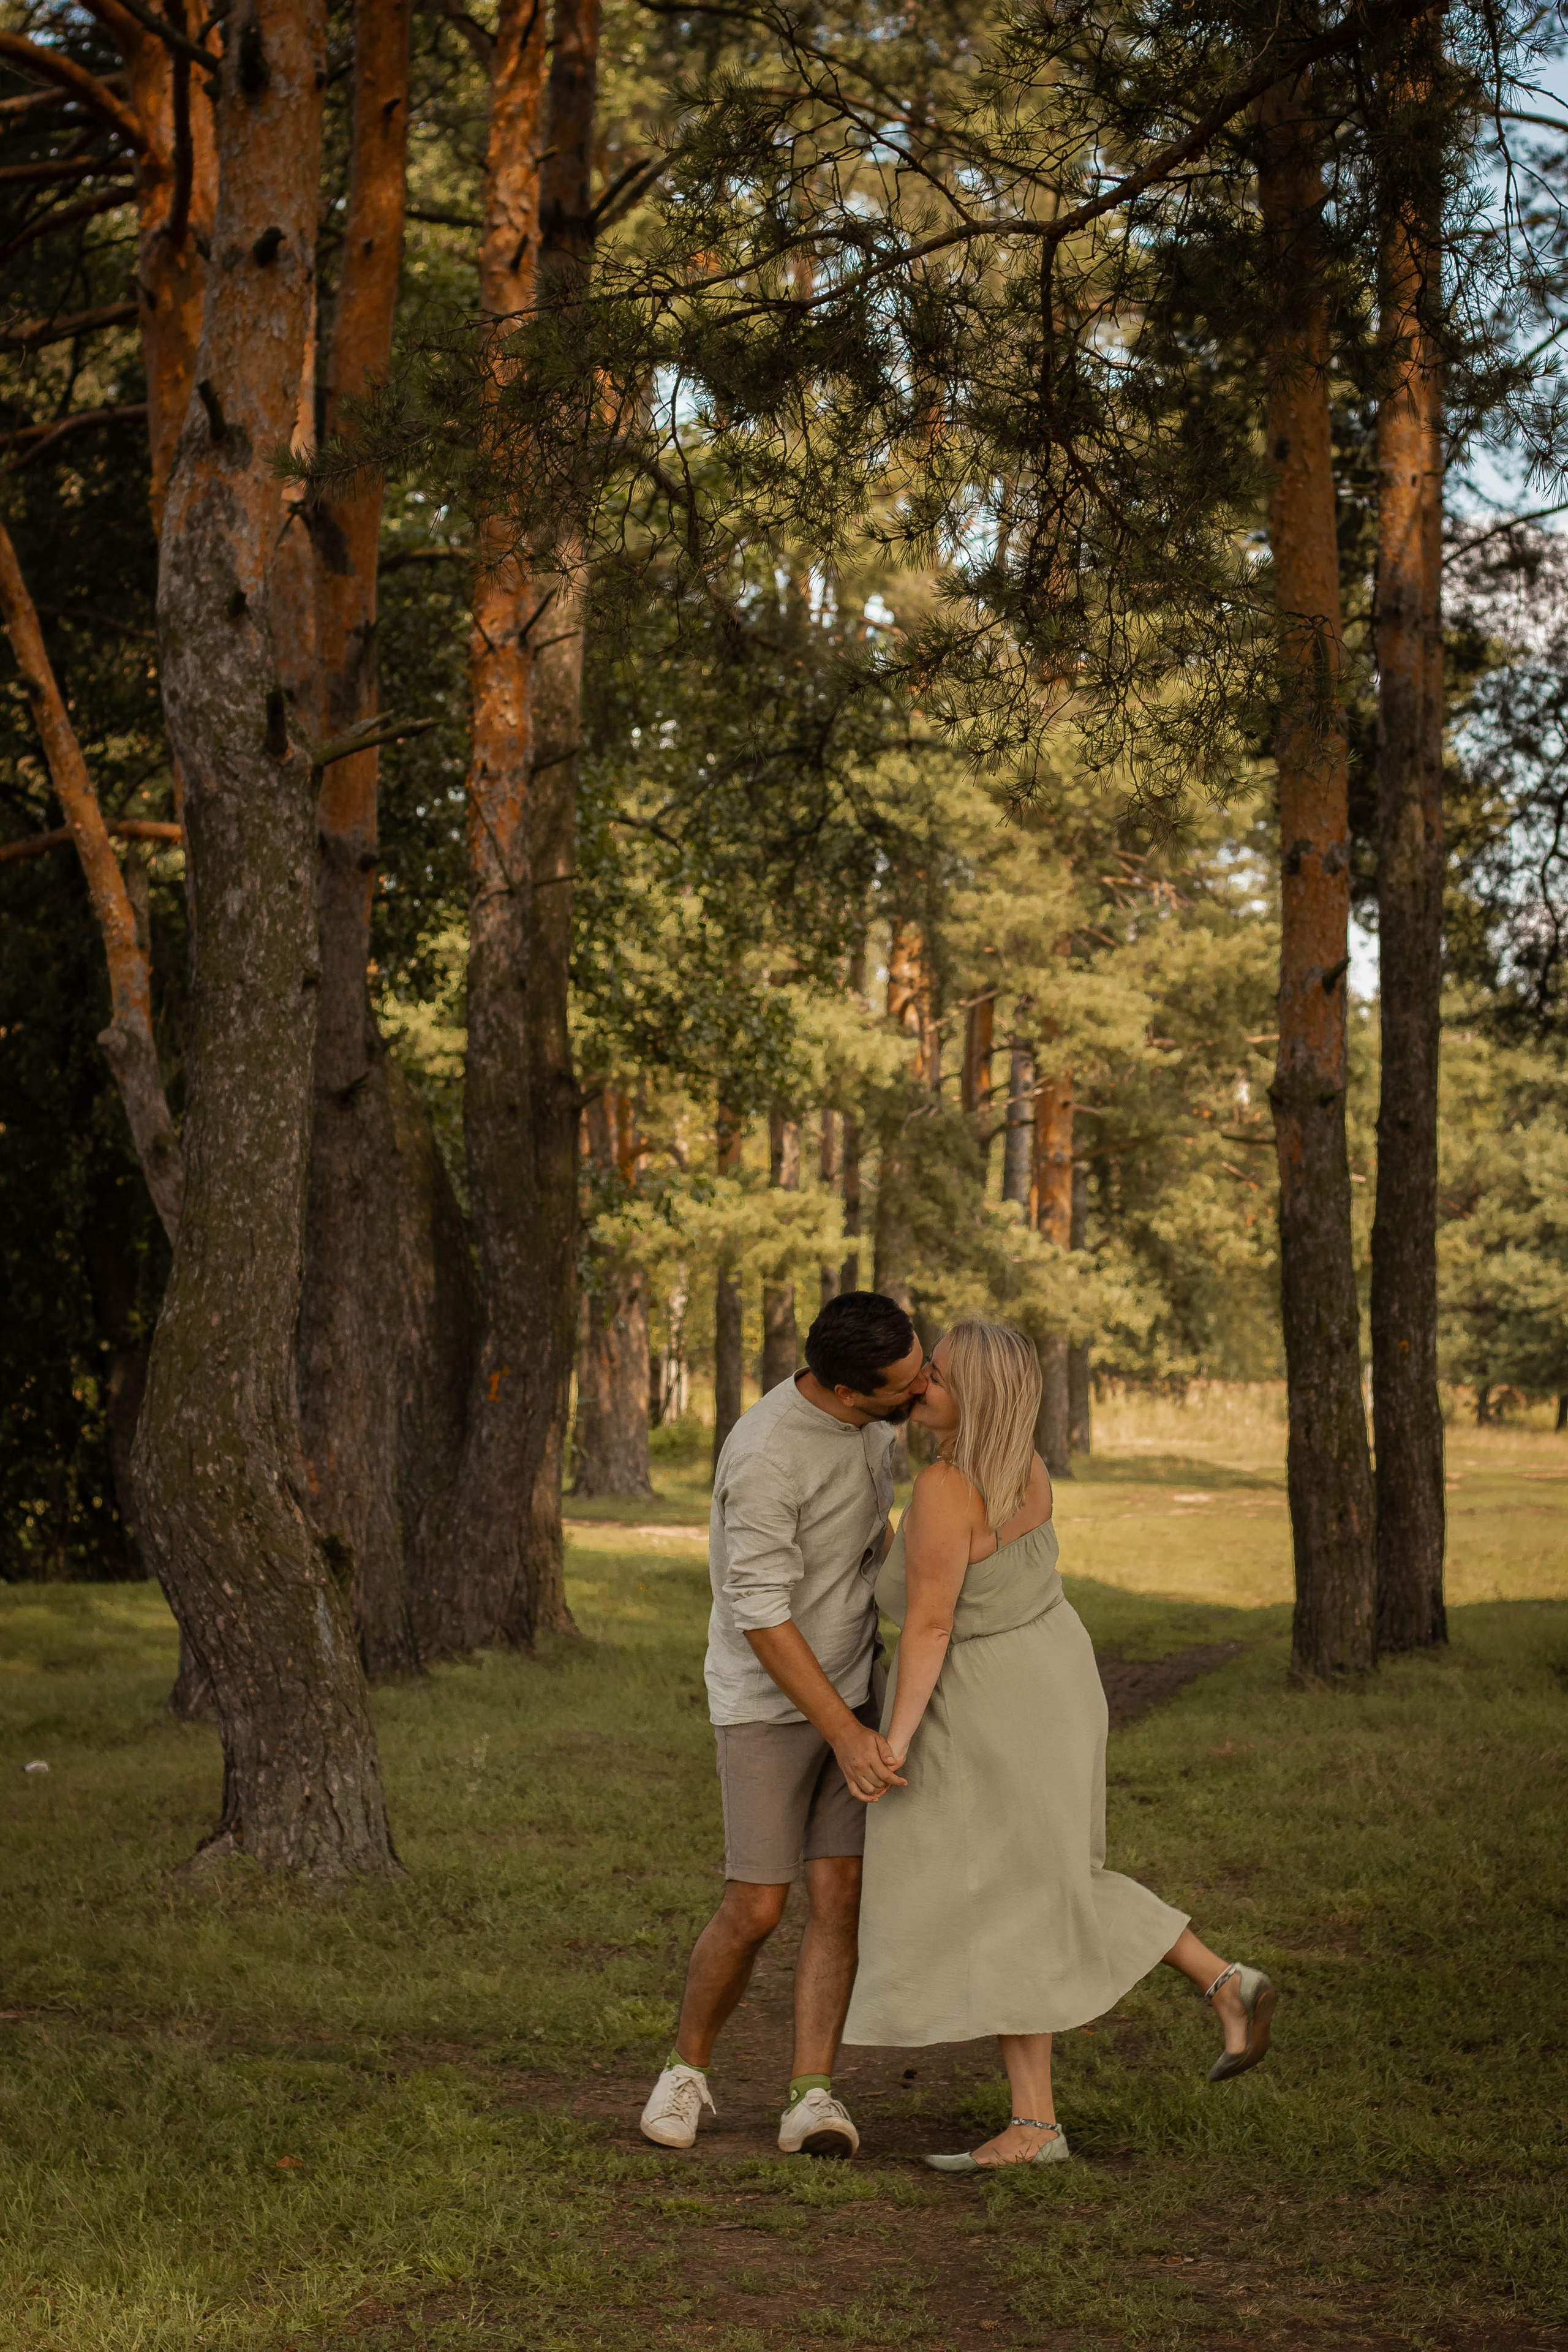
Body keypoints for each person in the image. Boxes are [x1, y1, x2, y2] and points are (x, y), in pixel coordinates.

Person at [843, 1319, 1277, 2171]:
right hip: (1054, 1677)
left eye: (935, 1375)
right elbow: (954, 1581)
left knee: (1022, 1889)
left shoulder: (944, 1485)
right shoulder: (1025, 1470)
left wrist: (891, 1741)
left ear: (977, 1397)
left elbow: (931, 1622)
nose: (917, 1384)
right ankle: (1045, 2115)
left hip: (986, 1702)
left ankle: (1219, 1985)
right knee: (1031, 1887)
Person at [639, 1290, 927, 2157]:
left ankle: (811, 2095)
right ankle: (684, 2074)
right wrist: (841, 1729)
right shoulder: (766, 1456)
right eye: (903, 1387)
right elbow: (760, 1613)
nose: (919, 1393)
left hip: (854, 1683)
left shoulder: (875, 1420)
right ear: (846, 1391)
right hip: (770, 1701)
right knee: (759, 1904)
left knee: (839, 1896)